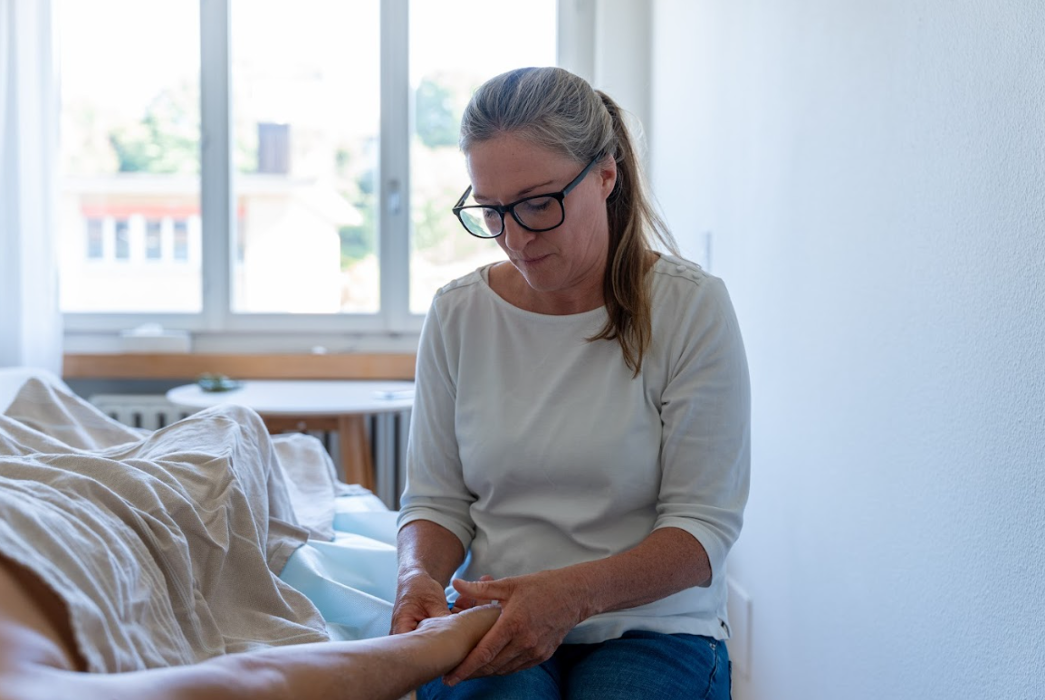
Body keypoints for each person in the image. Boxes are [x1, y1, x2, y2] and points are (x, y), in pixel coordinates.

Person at [391, 66, 751, 700]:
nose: (516, 238)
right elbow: (437, 501)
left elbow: (701, 532)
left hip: (654, 627)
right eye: (492, 211)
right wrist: (416, 574)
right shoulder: (459, 314)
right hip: (496, 614)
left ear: (605, 174)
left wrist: (573, 593)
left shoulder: (689, 308)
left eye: (537, 204)